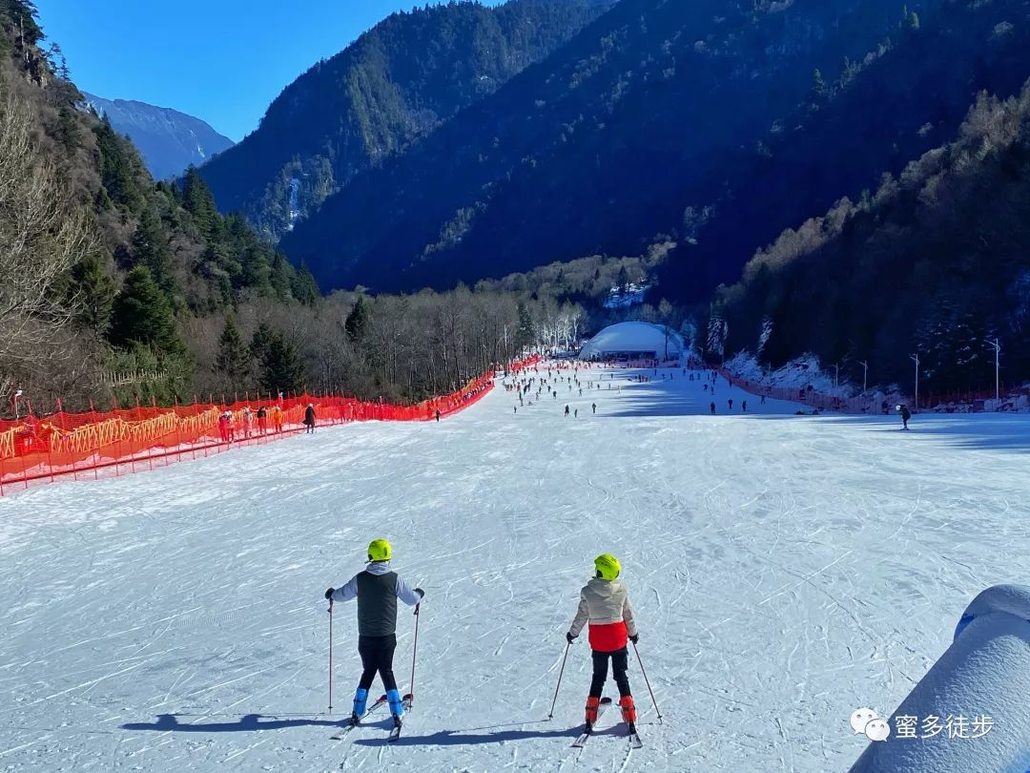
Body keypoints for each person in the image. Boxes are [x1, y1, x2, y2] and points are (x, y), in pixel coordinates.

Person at [325, 539, 424, 728]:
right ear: (388, 556)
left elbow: (341, 595)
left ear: (371, 556)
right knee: (386, 670)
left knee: (369, 670)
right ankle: (396, 711)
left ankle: (357, 710)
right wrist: (419, 593)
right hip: (387, 637)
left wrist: (331, 594)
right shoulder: (394, 579)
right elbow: (412, 599)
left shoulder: (360, 579)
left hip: (365, 637)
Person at [566, 554, 638, 732]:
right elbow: (628, 615)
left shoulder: (588, 592)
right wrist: (633, 634)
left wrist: (572, 633)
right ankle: (629, 712)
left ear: (599, 571)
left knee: (598, 676)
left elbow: (582, 615)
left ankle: (591, 714)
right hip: (618, 639)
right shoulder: (621, 590)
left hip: (599, 642)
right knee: (621, 674)